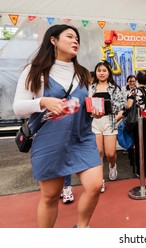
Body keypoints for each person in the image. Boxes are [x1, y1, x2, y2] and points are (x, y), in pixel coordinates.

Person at [13, 24, 102, 228]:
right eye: (70, 36)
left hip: (82, 138)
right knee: (51, 196)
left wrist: (94, 110)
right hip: (50, 140)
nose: (75, 41)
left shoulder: (82, 73)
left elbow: (86, 102)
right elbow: (18, 107)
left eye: (77, 39)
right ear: (53, 40)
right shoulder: (34, 71)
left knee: (95, 185)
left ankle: (82, 228)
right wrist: (42, 102)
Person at [90, 62, 125, 192]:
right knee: (98, 152)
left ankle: (112, 164)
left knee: (110, 153)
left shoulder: (115, 88)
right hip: (94, 123)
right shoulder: (91, 88)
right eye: (99, 70)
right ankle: (100, 181)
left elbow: (122, 105)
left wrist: (112, 111)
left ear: (109, 73)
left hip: (110, 121)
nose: (102, 73)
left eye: (104, 70)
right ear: (96, 72)